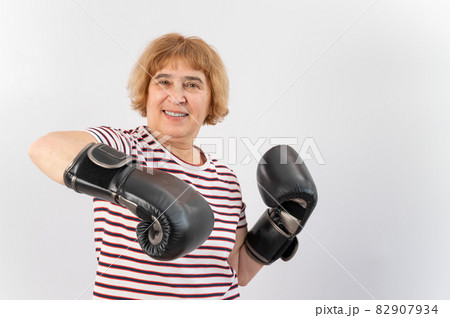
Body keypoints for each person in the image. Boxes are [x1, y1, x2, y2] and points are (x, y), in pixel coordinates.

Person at [29, 33, 318, 300]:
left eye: (192, 84)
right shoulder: (124, 147)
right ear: (147, 92)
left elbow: (239, 270)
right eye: (163, 82)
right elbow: (44, 148)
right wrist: (138, 185)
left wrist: (283, 224)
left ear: (210, 100)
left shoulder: (226, 180)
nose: (176, 96)